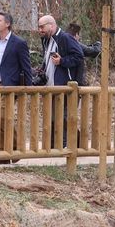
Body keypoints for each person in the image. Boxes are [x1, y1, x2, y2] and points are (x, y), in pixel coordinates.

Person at [36, 14, 85, 147]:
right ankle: (54, 146)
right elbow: (48, 59)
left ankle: (67, 145)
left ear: (51, 25)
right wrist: (42, 69)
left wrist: (62, 61)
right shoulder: (46, 40)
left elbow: (79, 57)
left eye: (42, 27)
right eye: (39, 27)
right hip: (50, 86)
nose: (40, 30)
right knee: (52, 118)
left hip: (65, 87)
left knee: (63, 118)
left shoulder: (65, 38)